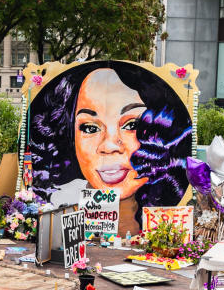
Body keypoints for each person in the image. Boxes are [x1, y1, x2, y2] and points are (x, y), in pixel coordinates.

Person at [25, 61, 193, 234]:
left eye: (131, 125)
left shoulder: (170, 220)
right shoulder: (57, 206)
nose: (109, 146)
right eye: (90, 128)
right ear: (69, 136)